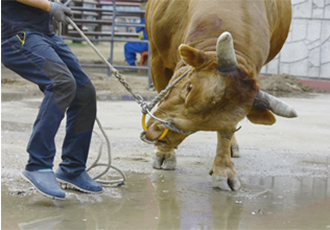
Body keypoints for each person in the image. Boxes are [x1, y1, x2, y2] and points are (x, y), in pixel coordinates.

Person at [1, 0, 102, 200]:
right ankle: (38, 164)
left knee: (84, 91)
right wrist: (50, 6)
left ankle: (72, 168)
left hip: (44, 33)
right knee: (61, 83)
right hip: (16, 34)